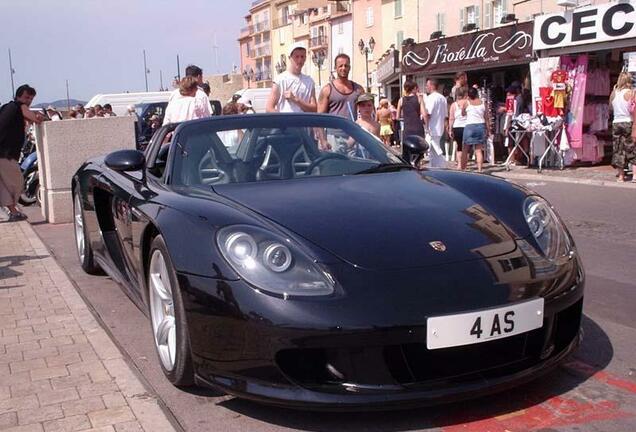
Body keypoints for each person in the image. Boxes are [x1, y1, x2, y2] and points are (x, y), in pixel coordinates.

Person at [0, 84, 44, 221]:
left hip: (4, 152)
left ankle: (13, 212)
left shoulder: (7, 107)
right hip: (5, 153)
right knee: (17, 182)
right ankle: (13, 211)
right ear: (19, 96)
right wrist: (40, 116)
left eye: (31, 98)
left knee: (4, 185)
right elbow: (36, 119)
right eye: (26, 97)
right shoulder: (19, 106)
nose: (28, 101)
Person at [266, 42, 316, 113]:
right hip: (286, 123)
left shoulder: (309, 81)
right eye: (296, 57)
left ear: (305, 58)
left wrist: (296, 100)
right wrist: (283, 120)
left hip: (304, 123)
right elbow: (269, 108)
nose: (300, 60)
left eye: (302, 57)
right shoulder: (280, 80)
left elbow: (314, 109)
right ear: (290, 58)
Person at [317, 53, 364, 120]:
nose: (343, 68)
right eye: (340, 66)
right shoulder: (327, 90)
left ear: (349, 68)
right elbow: (320, 117)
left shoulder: (358, 89)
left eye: (346, 66)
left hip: (352, 129)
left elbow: (367, 111)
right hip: (334, 129)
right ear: (335, 68)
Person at [610, 72, 636, 182]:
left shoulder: (614, 93)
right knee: (632, 148)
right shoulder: (631, 93)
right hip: (628, 121)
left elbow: (610, 107)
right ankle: (635, 175)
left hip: (616, 122)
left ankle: (621, 176)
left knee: (618, 149)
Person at [462, 87, 490, 172]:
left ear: (468, 95)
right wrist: (488, 129)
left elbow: (463, 113)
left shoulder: (467, 103)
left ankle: (463, 168)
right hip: (480, 125)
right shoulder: (482, 103)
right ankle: (480, 169)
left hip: (470, 126)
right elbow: (486, 118)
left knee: (465, 149)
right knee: (478, 150)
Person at [397, 80, 426, 162]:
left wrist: (406, 115)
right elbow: (424, 114)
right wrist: (426, 124)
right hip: (418, 127)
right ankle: (417, 166)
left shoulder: (401, 100)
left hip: (407, 128)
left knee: (407, 152)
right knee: (419, 151)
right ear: (414, 88)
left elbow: (397, 116)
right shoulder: (419, 98)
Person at [424, 78, 449, 164]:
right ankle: (436, 165)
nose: (426, 87)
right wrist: (446, 127)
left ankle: (440, 164)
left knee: (432, 149)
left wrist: (426, 126)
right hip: (439, 127)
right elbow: (446, 116)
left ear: (432, 86)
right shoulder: (443, 98)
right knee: (433, 150)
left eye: (427, 85)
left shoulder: (431, 98)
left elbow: (428, 114)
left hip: (432, 127)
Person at [448, 87, 468, 170]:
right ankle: (465, 165)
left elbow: (451, 118)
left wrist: (450, 129)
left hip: (457, 127)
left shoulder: (454, 105)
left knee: (459, 146)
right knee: (466, 147)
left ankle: (459, 164)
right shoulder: (468, 103)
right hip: (467, 126)